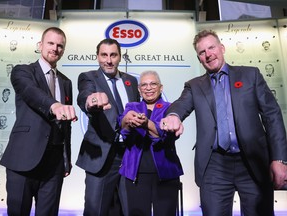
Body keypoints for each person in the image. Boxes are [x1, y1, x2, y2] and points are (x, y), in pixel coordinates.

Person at [160, 29, 287, 216]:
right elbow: (181, 105)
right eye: (202, 52)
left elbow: (272, 115)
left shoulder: (250, 75)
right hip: (215, 165)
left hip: (252, 160)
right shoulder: (194, 85)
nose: (208, 54)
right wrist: (173, 116)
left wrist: (279, 159)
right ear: (199, 59)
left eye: (211, 48)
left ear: (222, 48)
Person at [0, 27, 77, 216]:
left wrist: (66, 159)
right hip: (23, 159)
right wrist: (54, 105)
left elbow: (66, 126)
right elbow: (31, 93)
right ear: (40, 45)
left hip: (54, 165)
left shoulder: (66, 82)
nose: (55, 48)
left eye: (60, 45)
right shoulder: (23, 72)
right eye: (51, 43)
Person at [76, 38, 140, 216]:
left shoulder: (131, 82)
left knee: (131, 210)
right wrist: (91, 101)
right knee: (95, 211)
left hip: (129, 156)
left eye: (113, 55)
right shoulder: (88, 77)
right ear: (97, 57)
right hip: (101, 157)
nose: (109, 60)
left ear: (120, 57)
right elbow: (85, 96)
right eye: (104, 55)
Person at [118, 70, 183, 216]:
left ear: (161, 88)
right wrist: (127, 121)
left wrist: (146, 123)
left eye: (153, 84)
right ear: (139, 89)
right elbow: (123, 130)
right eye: (144, 85)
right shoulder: (131, 107)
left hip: (166, 173)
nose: (148, 88)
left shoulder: (170, 108)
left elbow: (166, 136)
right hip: (135, 174)